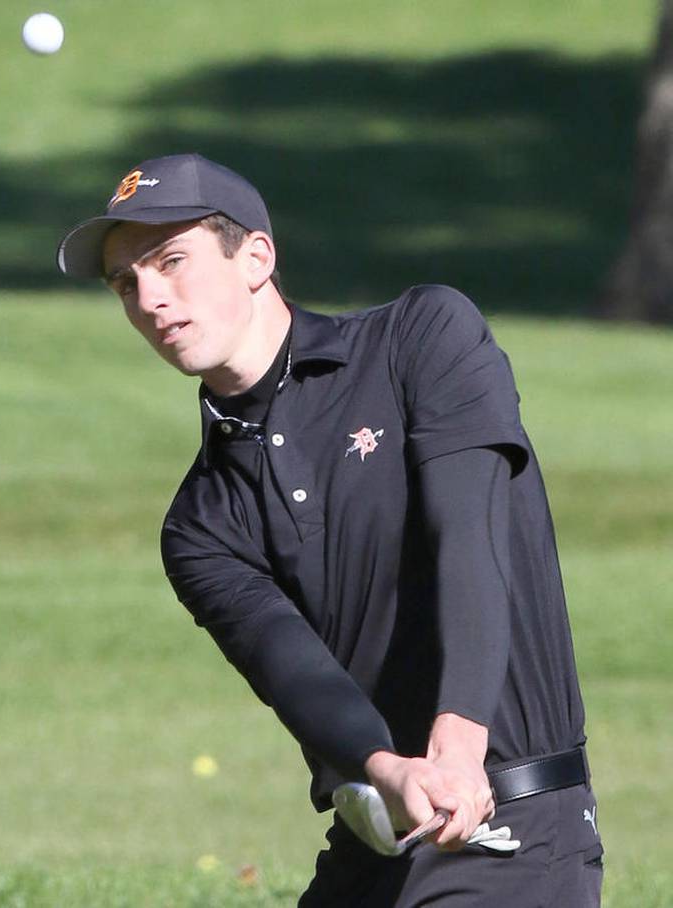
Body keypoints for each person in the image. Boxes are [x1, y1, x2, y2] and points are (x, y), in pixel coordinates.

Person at [57, 153, 603, 906]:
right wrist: (393, 769)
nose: (150, 297)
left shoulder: (421, 340)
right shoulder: (201, 521)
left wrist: (458, 742)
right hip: (375, 845)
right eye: (127, 283)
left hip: (516, 831)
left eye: (170, 261)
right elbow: (300, 679)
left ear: (255, 258)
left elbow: (472, 541)